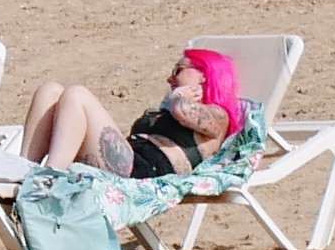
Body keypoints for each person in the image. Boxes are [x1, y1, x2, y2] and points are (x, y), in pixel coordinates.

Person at [19, 44, 244, 176]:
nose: (170, 78)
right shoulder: (170, 108)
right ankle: (21, 170)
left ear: (204, 74)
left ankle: (48, 178)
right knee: (50, 91)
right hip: (125, 156)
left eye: (178, 70)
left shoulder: (218, 116)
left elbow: (183, 111)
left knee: (77, 95)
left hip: (140, 171)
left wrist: (179, 96)